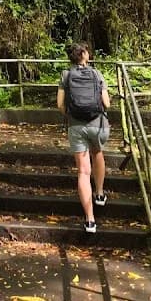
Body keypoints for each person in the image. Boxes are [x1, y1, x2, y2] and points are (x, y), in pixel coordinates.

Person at [57, 42, 110, 235]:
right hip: (97, 125)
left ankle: (90, 220)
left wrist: (70, 116)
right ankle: (100, 193)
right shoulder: (96, 74)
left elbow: (60, 104)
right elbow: (107, 103)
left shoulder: (66, 75)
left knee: (82, 172)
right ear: (85, 55)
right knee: (98, 153)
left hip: (76, 125)